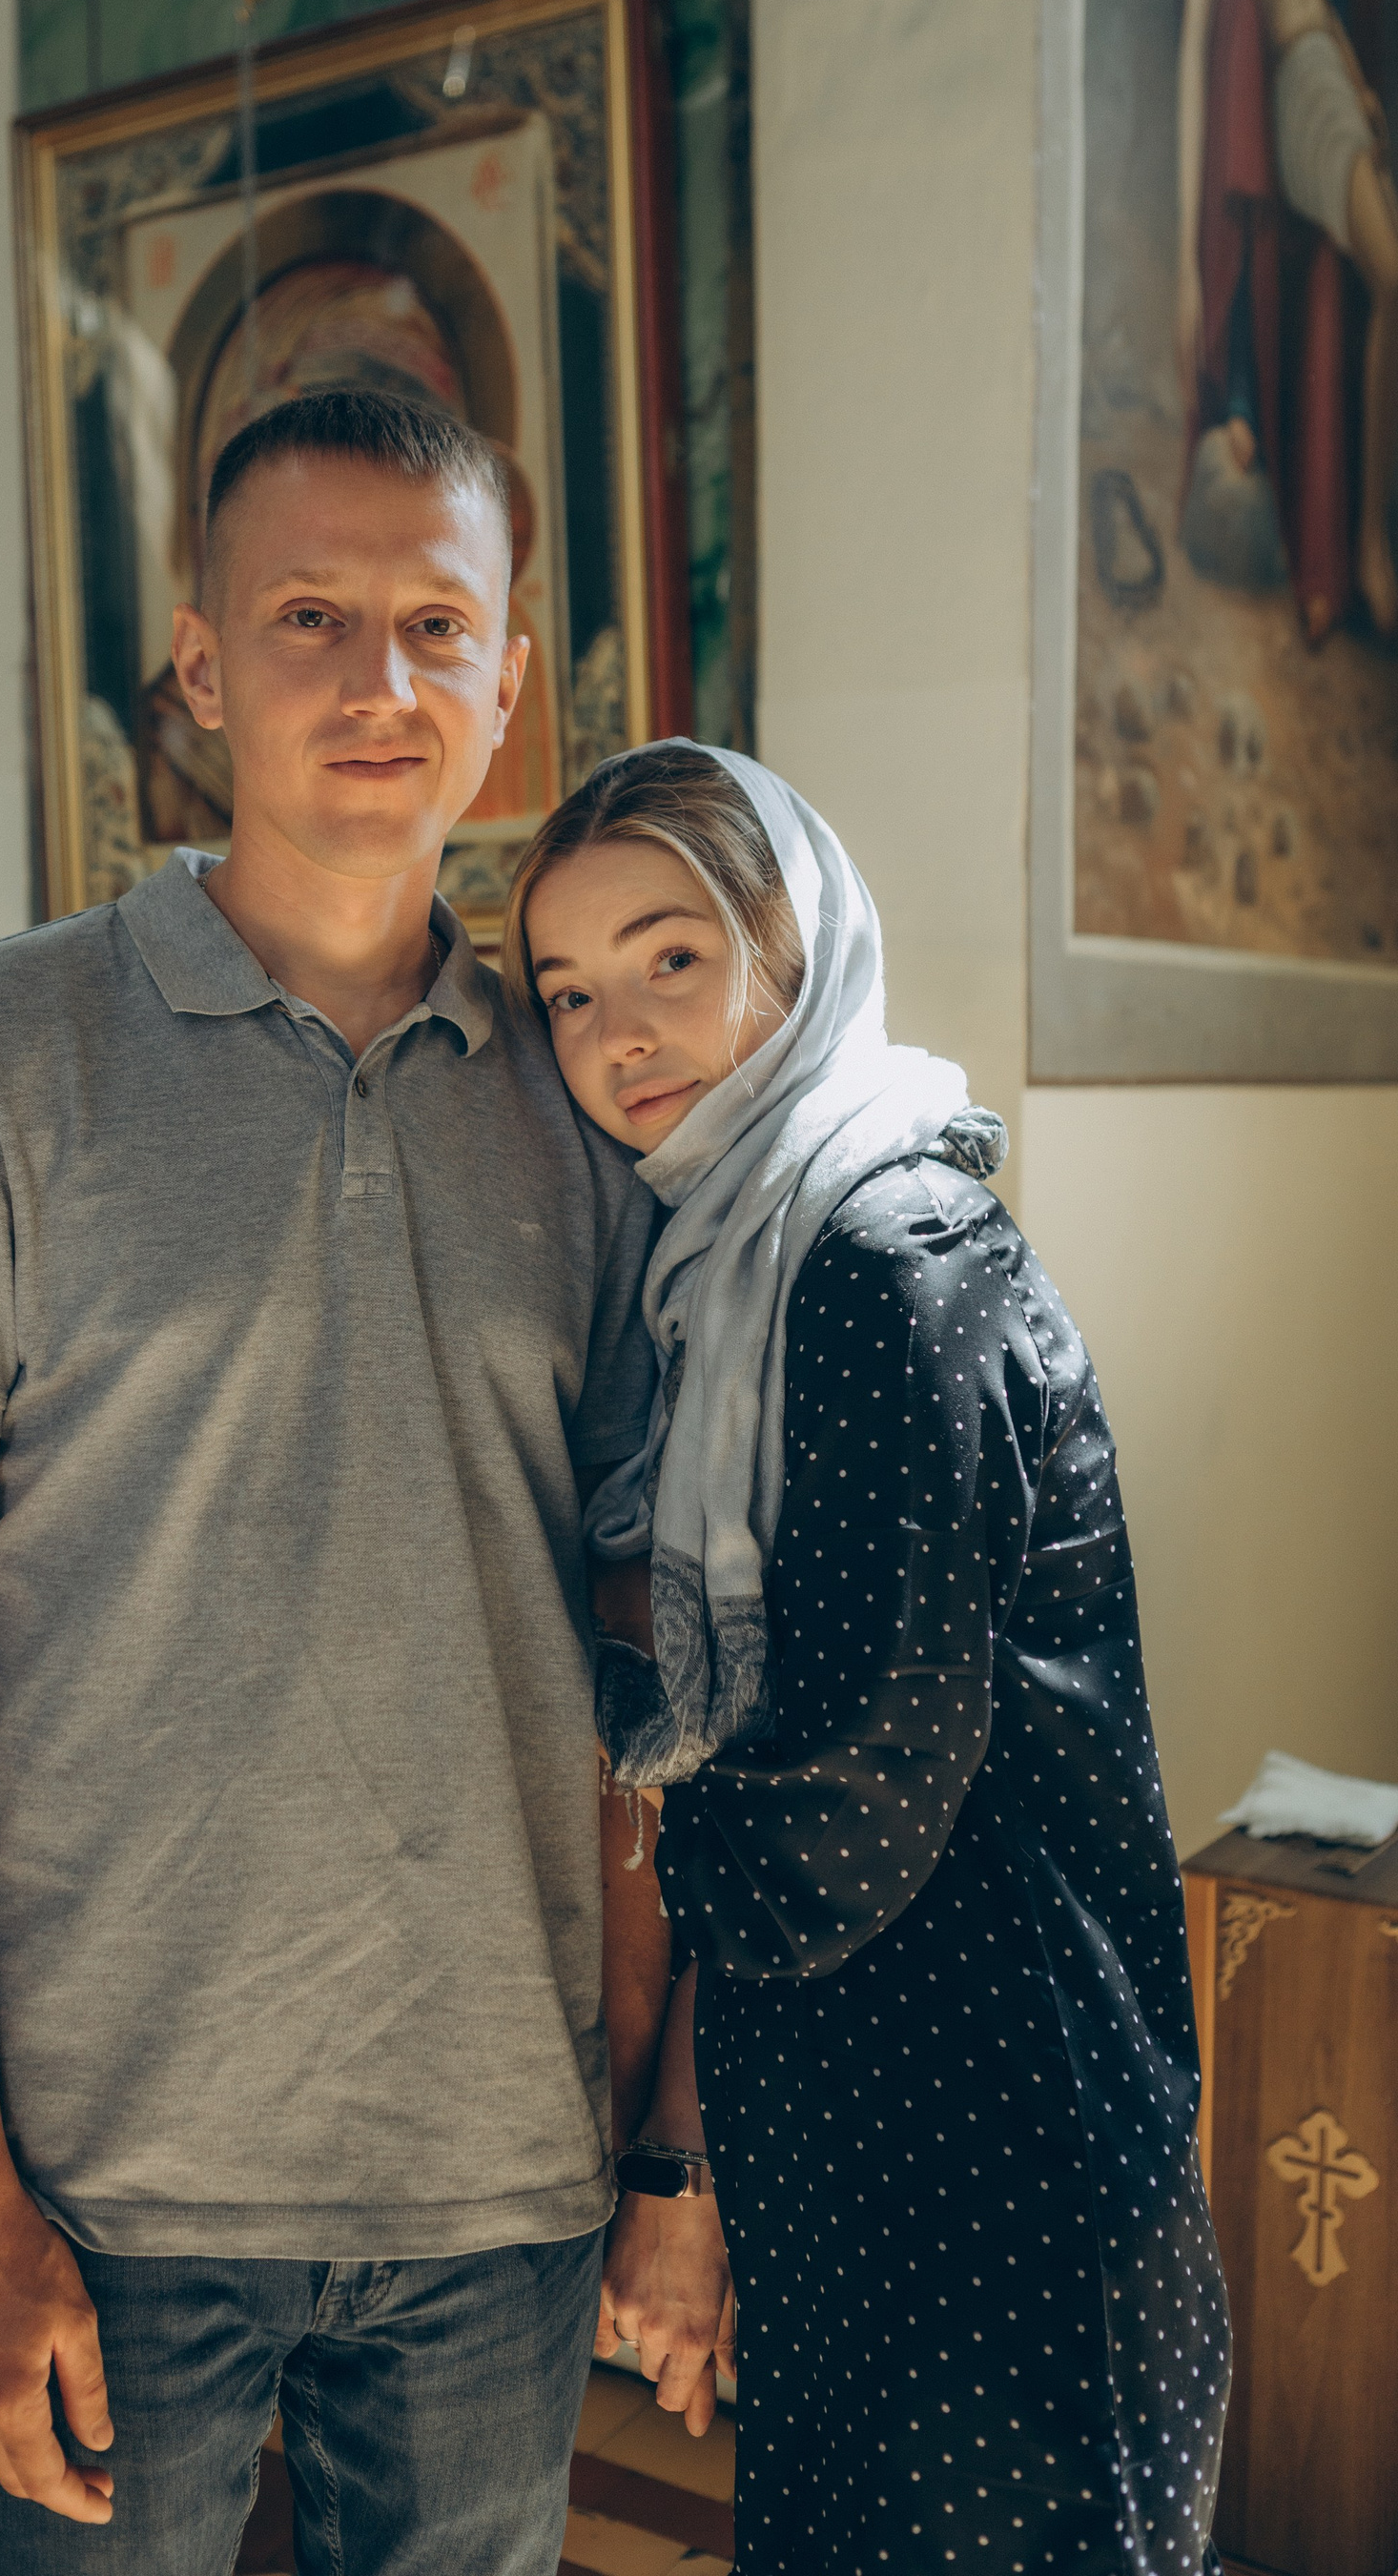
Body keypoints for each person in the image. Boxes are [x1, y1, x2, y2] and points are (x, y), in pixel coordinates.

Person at [0, 389, 666, 2575]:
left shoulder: (590, 1099)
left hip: (493, 2167)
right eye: (309, 618)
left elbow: (651, 1650)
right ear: (199, 665)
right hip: (100, 2177)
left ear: (507, 685)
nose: (381, 680)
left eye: (434, 625)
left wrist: (661, 2131)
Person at [507, 741, 1232, 2574]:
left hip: (997, 2154)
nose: (618, 1035)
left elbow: (842, 1801)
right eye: (569, 992)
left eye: (672, 959)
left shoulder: (888, 1261)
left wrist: (664, 2137)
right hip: (866, 2128)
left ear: (795, 947)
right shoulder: (732, 1274)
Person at [1177, 0, 1396, 638]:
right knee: (1392, 281)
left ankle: (1367, 543)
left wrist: (1354, 69)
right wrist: (1184, 267)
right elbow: (1196, 43)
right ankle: (1367, 547)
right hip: (1299, 77)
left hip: (1326, 63)